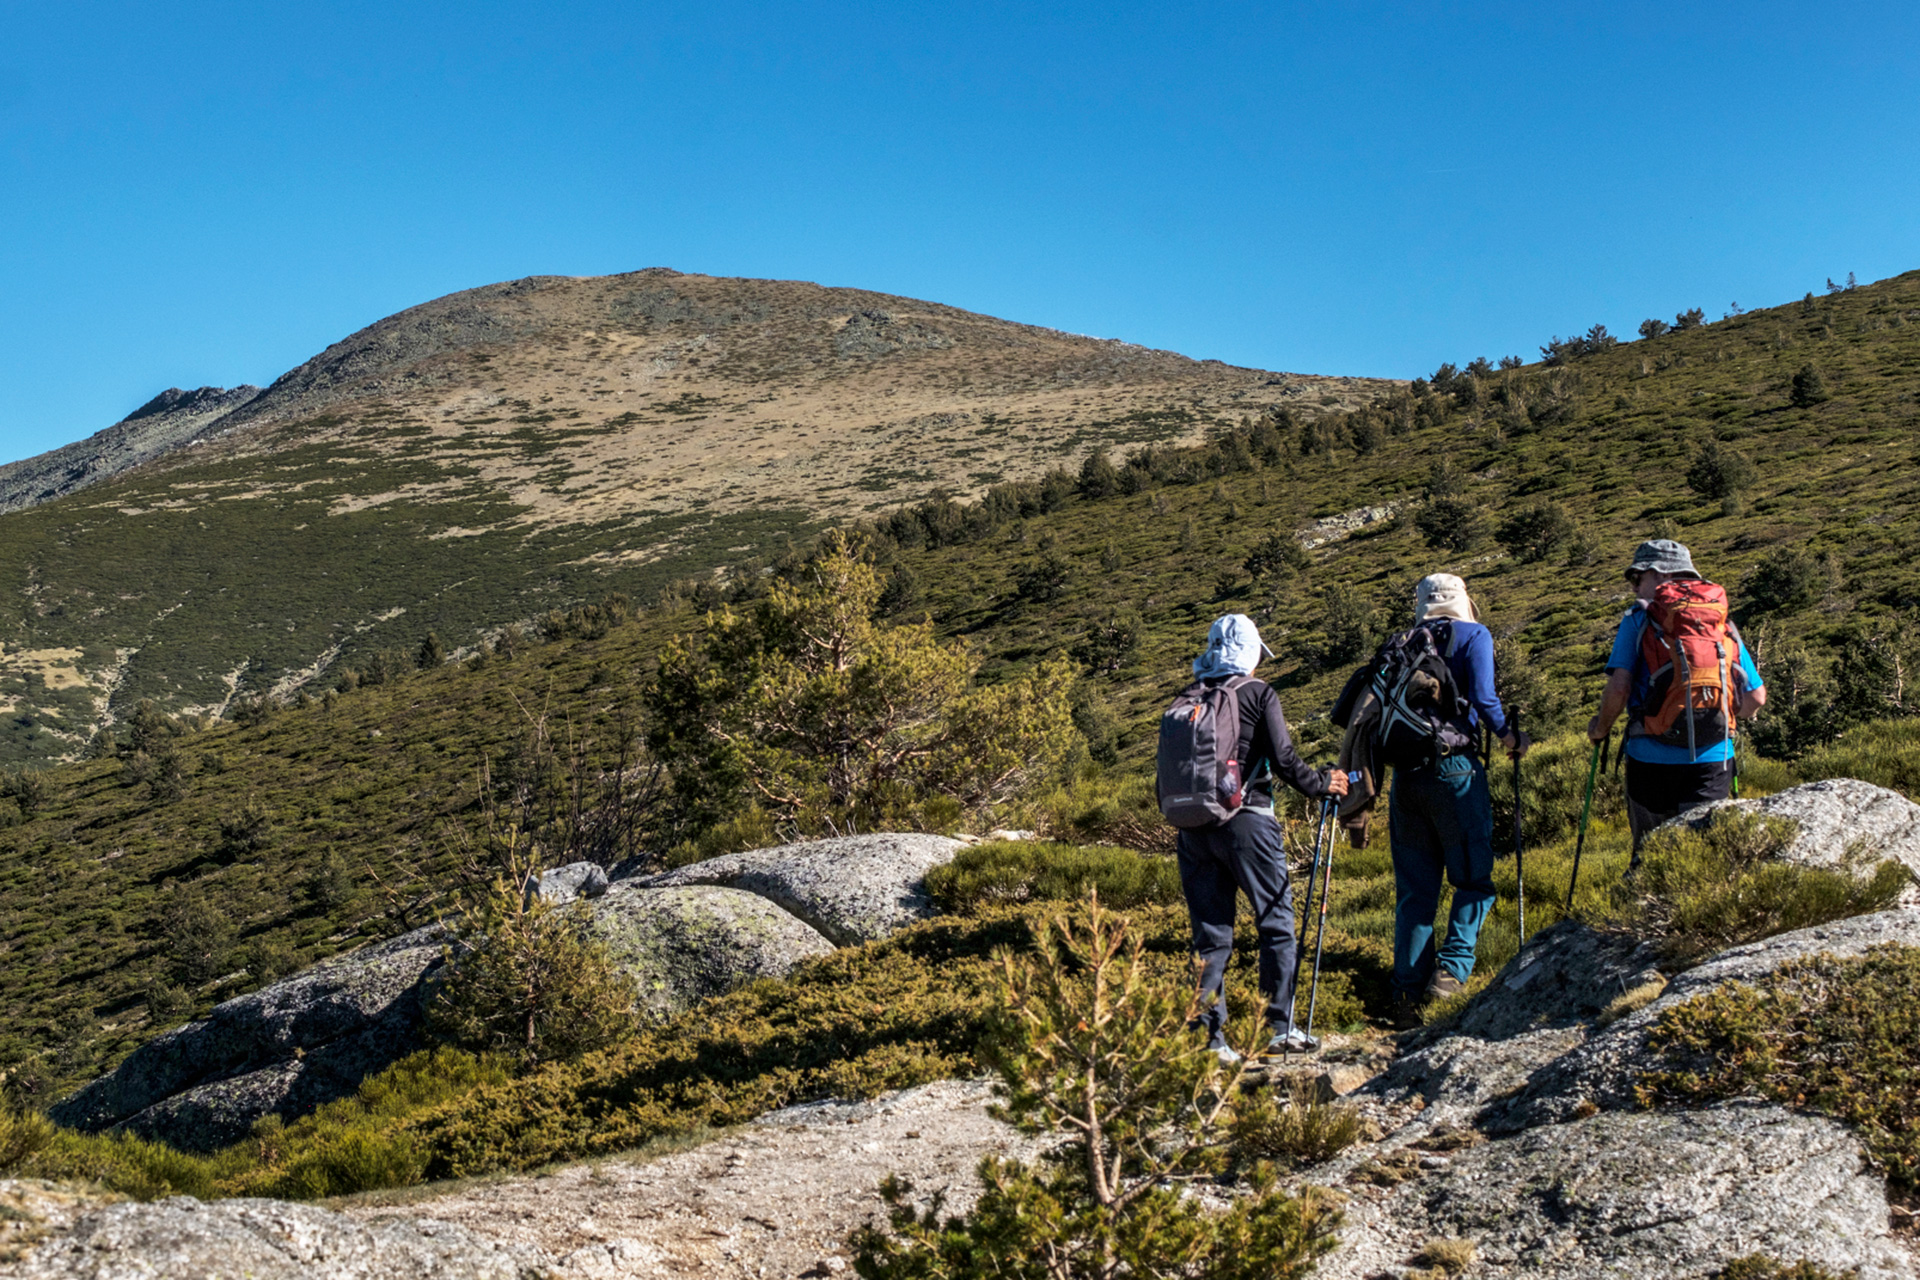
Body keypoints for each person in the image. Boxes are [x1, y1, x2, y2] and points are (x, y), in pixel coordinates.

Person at [1169, 613, 1348, 1061]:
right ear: (1250, 653)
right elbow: (1284, 759)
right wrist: (1322, 783)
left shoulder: (1188, 696)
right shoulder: (1257, 692)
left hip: (1193, 829)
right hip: (1249, 823)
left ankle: (1210, 1041)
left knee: (1210, 937)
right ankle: (1279, 1028)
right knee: (1275, 922)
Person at [1386, 574, 1524, 1028]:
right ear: (1463, 603)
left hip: (1405, 778)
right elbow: (1484, 697)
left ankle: (1406, 996)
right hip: (1455, 769)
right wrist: (1509, 737)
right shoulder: (1474, 635)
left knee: (1415, 892)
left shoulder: (1401, 643)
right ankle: (1452, 972)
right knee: (1473, 880)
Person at [1587, 539, 1765, 862]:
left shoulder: (1639, 618)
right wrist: (1711, 711)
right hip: (1713, 761)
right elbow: (1756, 697)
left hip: (1650, 760)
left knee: (1650, 860)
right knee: (1706, 863)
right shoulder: (1720, 622)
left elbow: (1619, 688)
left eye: (1636, 579)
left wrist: (1600, 729)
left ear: (1656, 574)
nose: (1634, 588)